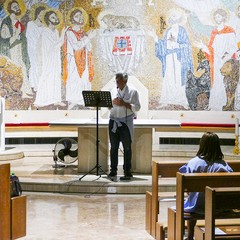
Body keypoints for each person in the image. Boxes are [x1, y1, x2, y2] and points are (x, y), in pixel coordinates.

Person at [178, 132, 233, 240]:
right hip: (218, 206)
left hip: (196, 206)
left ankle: (189, 236)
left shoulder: (193, 163)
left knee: (192, 199)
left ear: (201, 145)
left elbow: (186, 188)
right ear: (218, 146)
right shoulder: (223, 165)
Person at [150, 8, 193, 109]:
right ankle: (166, 99)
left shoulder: (182, 30)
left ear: (179, 17)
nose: (173, 16)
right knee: (168, 77)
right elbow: (164, 45)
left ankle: (182, 101)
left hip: (179, 59)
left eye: (176, 14)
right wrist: (155, 38)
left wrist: (177, 44)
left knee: (179, 78)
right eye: (172, 14)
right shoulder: (168, 30)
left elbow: (186, 45)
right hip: (169, 57)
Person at [196, 8, 237, 111]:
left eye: (218, 16)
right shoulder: (214, 32)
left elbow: (233, 47)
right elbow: (211, 49)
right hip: (215, 60)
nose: (217, 18)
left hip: (225, 61)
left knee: (224, 82)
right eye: (215, 17)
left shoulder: (230, 31)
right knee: (216, 82)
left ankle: (223, 103)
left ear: (223, 17)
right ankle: (214, 105)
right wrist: (203, 47)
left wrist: (226, 55)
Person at [108, 73, 141, 178]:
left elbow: (138, 107)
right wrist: (110, 103)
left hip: (126, 122)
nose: (117, 83)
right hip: (113, 121)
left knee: (127, 147)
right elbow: (108, 107)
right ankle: (113, 170)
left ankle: (127, 171)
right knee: (113, 147)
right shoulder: (113, 91)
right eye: (116, 80)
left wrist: (125, 104)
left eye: (119, 81)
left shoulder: (133, 91)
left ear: (125, 81)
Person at [63, 7, 94, 110]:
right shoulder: (69, 32)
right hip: (73, 62)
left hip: (83, 60)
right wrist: (88, 38)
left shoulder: (83, 33)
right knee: (74, 80)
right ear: (72, 19)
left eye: (81, 16)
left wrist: (89, 39)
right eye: (77, 16)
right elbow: (76, 47)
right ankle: (73, 101)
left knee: (84, 79)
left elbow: (89, 47)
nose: (80, 18)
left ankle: (85, 101)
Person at [34, 9, 67, 107]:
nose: (55, 18)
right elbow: (54, 46)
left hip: (55, 58)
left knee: (56, 77)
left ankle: (56, 99)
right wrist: (63, 35)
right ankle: (40, 101)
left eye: (55, 16)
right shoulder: (46, 32)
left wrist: (61, 35)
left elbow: (57, 45)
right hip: (48, 58)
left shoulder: (55, 31)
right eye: (53, 17)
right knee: (46, 76)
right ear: (48, 20)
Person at [0, 0, 33, 98]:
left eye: (17, 6)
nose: (17, 8)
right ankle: (20, 92)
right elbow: (4, 38)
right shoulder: (6, 22)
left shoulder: (17, 21)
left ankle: (25, 91)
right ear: (10, 8)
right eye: (14, 6)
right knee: (15, 69)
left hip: (19, 48)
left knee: (22, 67)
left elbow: (22, 37)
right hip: (11, 49)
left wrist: (20, 36)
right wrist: (16, 34)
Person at [26, 3, 46, 92]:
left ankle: (41, 84)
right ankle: (34, 84)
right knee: (34, 64)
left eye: (43, 14)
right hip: (33, 48)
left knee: (42, 65)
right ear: (37, 14)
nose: (41, 15)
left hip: (42, 49)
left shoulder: (45, 26)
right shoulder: (31, 24)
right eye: (40, 13)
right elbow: (29, 37)